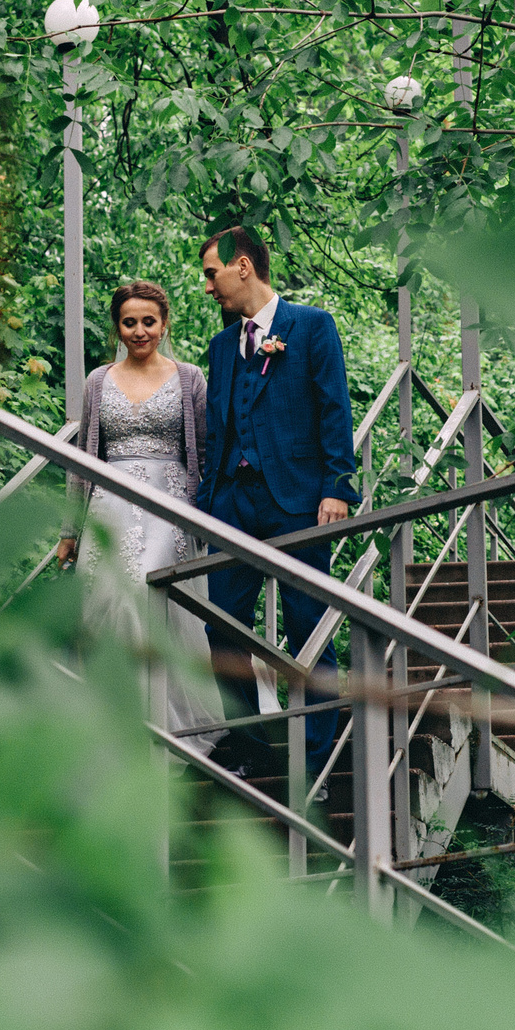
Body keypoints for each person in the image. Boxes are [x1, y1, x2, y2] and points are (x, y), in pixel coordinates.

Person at [191, 226, 358, 770]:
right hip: (231, 507)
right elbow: (219, 431)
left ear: (243, 266)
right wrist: (204, 504)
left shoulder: (310, 326)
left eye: (212, 274)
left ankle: (315, 760)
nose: (208, 287)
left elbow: (334, 408)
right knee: (221, 628)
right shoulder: (220, 347)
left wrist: (338, 487)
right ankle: (251, 750)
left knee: (310, 627)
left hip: (298, 501)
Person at [55, 281, 227, 755]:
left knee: (147, 599)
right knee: (106, 607)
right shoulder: (97, 380)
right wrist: (70, 531)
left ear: (164, 323)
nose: (139, 331)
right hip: (108, 506)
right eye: (129, 322)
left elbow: (205, 451)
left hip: (169, 505)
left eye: (148, 321)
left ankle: (166, 731)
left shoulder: (189, 378)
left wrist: (201, 515)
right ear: (118, 326)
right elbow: (84, 460)